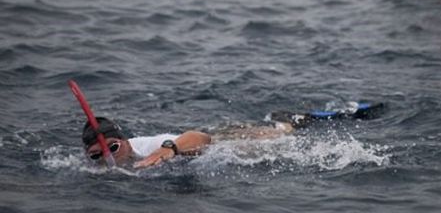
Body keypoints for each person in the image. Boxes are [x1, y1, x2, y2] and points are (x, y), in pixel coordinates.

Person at [81, 102, 384, 169]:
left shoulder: (146, 145)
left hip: (222, 143)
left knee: (282, 134)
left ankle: (303, 117)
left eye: (113, 147)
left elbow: (199, 137)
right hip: (215, 138)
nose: (107, 157)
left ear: (123, 140)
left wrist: (166, 151)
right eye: (97, 155)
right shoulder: (95, 170)